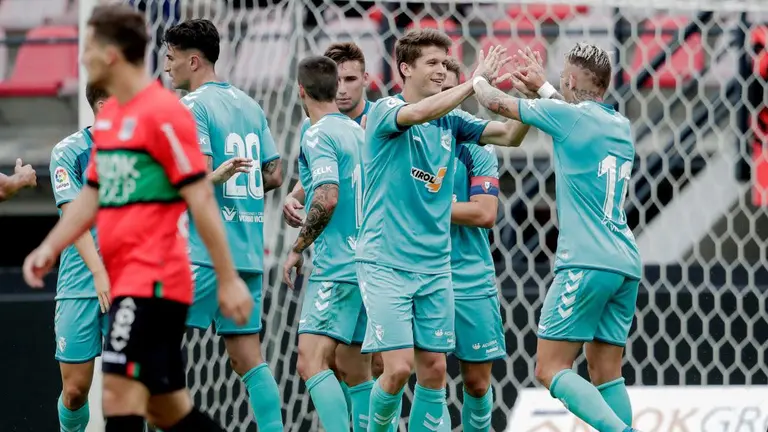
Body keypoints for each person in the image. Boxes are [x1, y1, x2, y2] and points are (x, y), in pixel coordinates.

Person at [23, 5, 252, 431]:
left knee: (118, 394)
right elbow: (91, 196)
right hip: (132, 281)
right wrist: (49, 247)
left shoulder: (164, 114)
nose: (82, 56)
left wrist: (227, 278)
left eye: (89, 47)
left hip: (155, 281)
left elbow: (201, 198)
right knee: (166, 409)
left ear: (111, 53)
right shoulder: (113, 121)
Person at [358, 28, 530, 432]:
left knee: (435, 369)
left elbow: (509, 135)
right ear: (405, 68)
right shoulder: (384, 111)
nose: (439, 70)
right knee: (397, 369)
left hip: (435, 268)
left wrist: (528, 102)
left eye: (443, 62)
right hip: (386, 262)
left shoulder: (453, 122)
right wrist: (474, 83)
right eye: (431, 63)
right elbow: (419, 113)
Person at [472, 44, 642, 432]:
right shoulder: (619, 124)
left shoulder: (568, 117)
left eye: (563, 76)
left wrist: (478, 78)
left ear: (570, 79)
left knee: (549, 368)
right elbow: (571, 115)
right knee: (606, 373)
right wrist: (545, 89)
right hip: (624, 263)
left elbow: (494, 102)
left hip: (585, 261)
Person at [163, 19, 284, 432]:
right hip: (247, 254)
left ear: (194, 61)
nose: (167, 65)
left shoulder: (191, 106)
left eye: (171, 57)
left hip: (203, 253)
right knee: (247, 359)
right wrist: (242, 193)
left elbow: (200, 175)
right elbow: (274, 174)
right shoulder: (250, 104)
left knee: (148, 348)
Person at [282, 41, 377, 432]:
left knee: (310, 360)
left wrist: (297, 246)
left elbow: (327, 196)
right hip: (367, 265)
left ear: (300, 91)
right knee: (355, 367)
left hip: (336, 266)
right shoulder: (357, 131)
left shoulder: (317, 133)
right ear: (336, 86)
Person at [442, 57, 505, 432]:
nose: (443, 95)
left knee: (477, 383)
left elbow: (484, 213)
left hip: (469, 275)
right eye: (437, 87)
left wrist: (427, 207)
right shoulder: (404, 137)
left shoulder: (474, 145)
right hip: (417, 273)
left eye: (450, 88)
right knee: (405, 371)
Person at [48, 83, 111, 432]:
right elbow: (74, 220)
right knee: (74, 392)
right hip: (80, 284)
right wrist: (99, 271)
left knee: (143, 388)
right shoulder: (69, 151)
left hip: (129, 282)